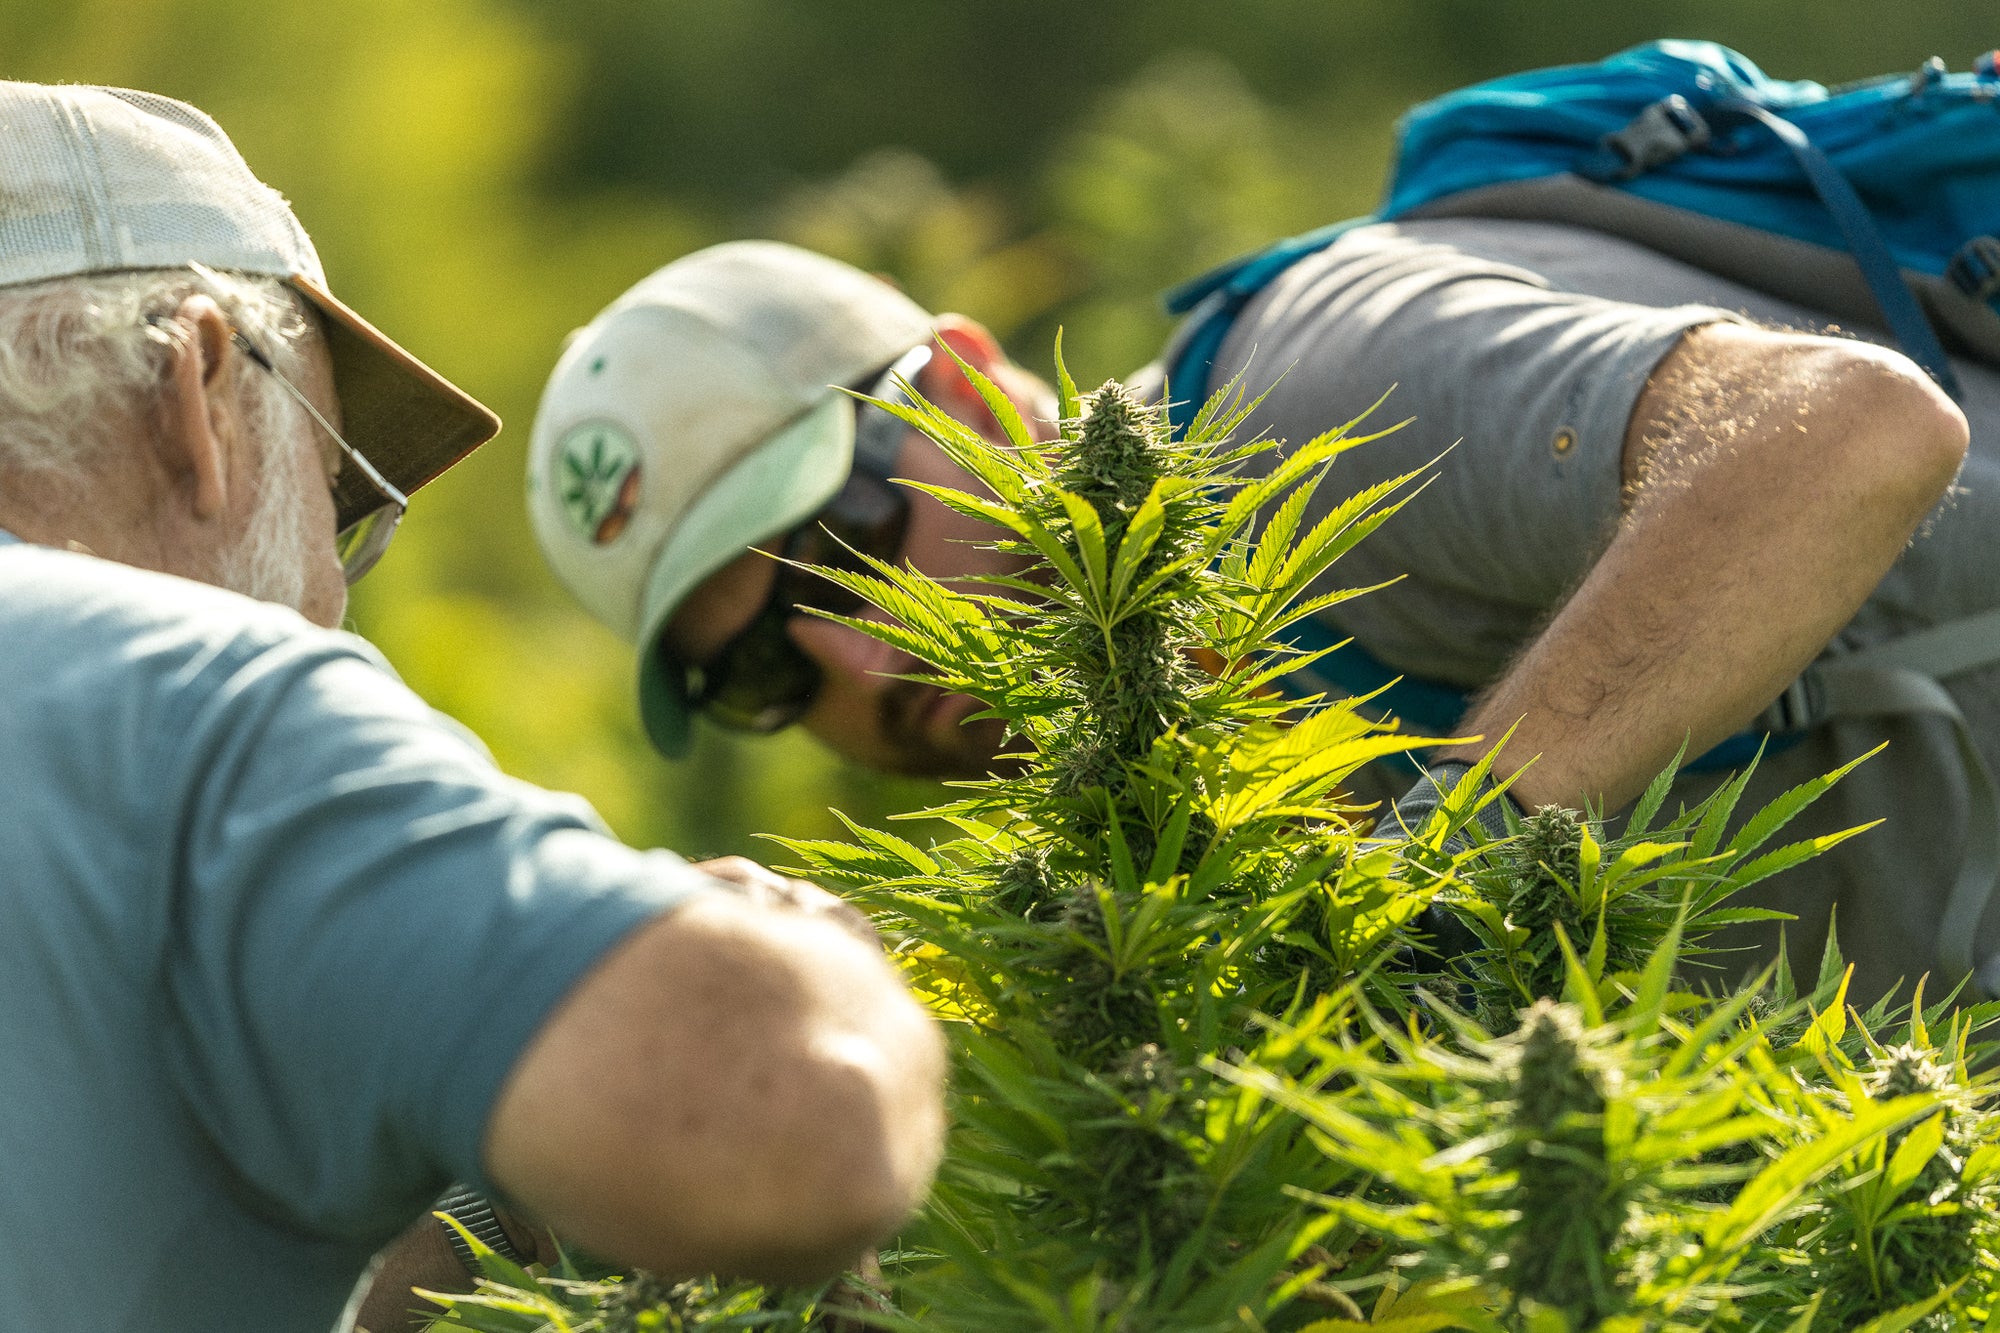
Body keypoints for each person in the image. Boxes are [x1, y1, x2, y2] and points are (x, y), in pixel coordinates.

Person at [0, 84, 946, 1333]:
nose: (333, 590)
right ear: (200, 385)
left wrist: (482, 1189)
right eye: (338, 486)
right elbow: (794, 1123)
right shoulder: (192, 706)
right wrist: (810, 971)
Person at [530, 228, 1990, 1009]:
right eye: (763, 668)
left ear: (969, 390)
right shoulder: (1156, 863)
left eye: (844, 550)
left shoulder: (1312, 390)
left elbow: (1852, 431)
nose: (861, 657)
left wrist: (1436, 868)